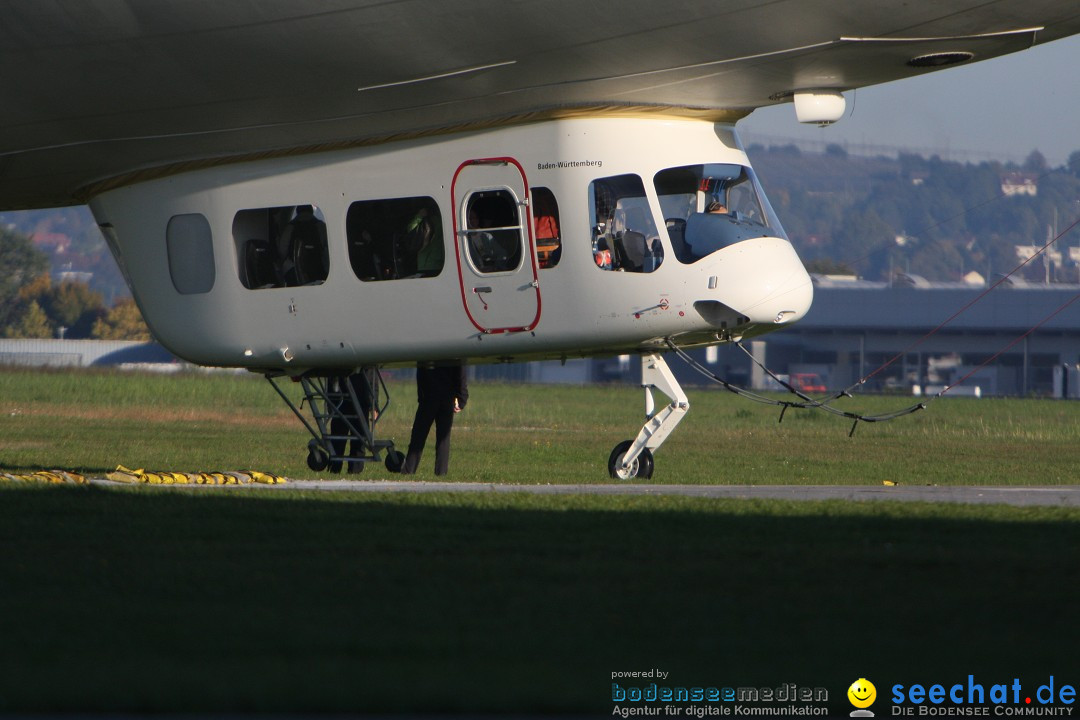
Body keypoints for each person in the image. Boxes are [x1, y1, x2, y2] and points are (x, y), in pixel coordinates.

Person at [399, 364, 468, 476]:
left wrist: (421, 395)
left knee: (418, 435)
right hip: (447, 396)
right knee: (443, 438)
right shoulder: (454, 351)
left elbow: (421, 372)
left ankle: (409, 469)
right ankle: (441, 472)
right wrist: (462, 397)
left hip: (429, 396)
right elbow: (460, 373)